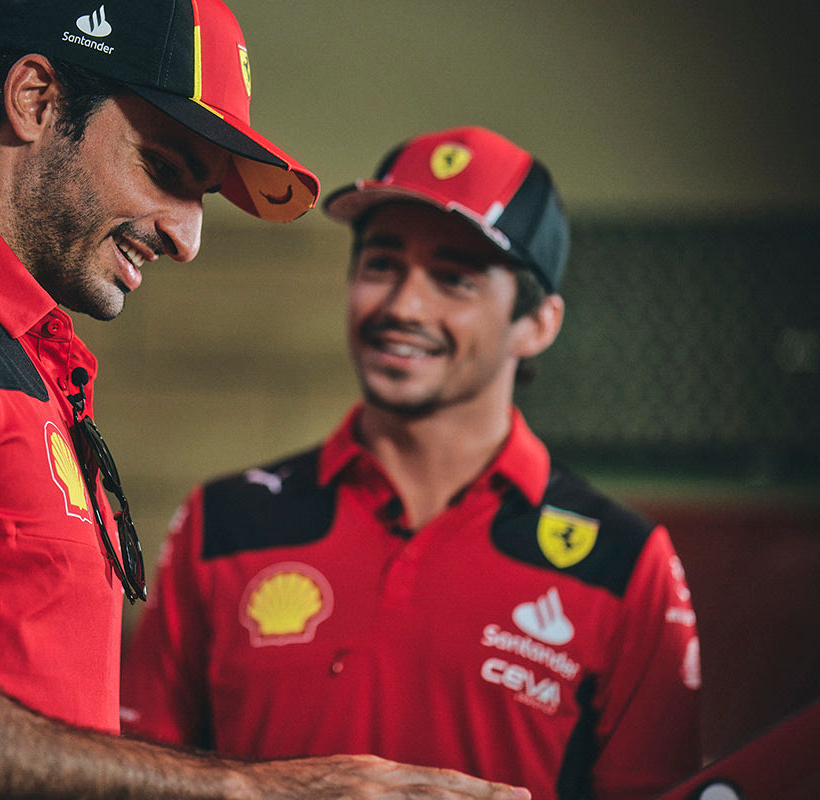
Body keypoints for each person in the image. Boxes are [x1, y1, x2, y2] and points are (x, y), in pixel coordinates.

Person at [0, 0, 533, 795]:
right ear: (34, 99)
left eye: (200, 195)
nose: (187, 237)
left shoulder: (14, 351)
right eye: (166, 171)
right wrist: (250, 789)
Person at [121, 126, 703, 800]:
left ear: (539, 323)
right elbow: (137, 778)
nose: (403, 305)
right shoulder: (223, 523)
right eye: (381, 264)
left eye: (454, 279)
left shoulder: (626, 567)